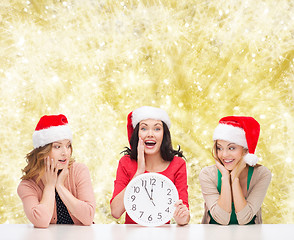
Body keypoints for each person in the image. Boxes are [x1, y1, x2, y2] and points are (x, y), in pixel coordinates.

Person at [110, 106, 190, 225]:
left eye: (157, 129)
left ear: (164, 135)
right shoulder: (126, 163)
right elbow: (115, 212)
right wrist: (139, 173)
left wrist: (182, 218)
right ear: (137, 134)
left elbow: (185, 214)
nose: (150, 134)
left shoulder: (177, 164)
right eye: (144, 128)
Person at [17, 114, 96, 228]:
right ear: (42, 151)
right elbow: (41, 222)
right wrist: (50, 185)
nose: (65, 152)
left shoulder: (79, 171)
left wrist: (60, 186)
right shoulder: (28, 185)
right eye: (57, 147)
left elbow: (88, 217)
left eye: (68, 146)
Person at [199, 116, 271, 225]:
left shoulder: (261, 174)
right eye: (219, 148)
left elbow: (244, 219)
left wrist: (234, 178)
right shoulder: (207, 174)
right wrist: (225, 177)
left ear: (245, 150)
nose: (224, 155)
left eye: (231, 148)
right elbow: (222, 219)